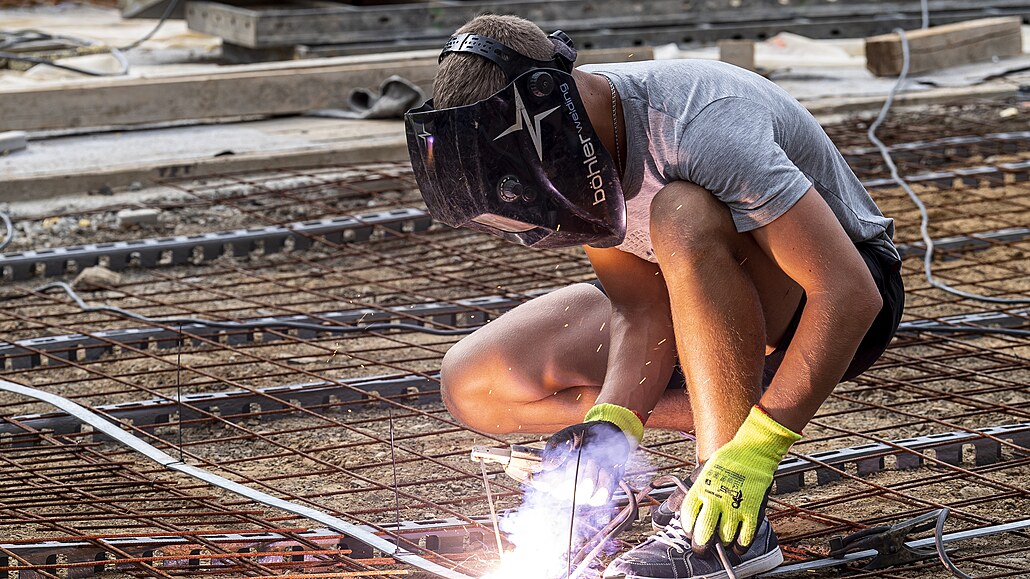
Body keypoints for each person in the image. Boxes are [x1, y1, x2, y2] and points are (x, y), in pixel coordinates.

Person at [404, 14, 904, 579]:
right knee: (476, 381)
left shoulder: (698, 124)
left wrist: (758, 450)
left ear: (550, 117)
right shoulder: (576, 148)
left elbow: (849, 293)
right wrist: (611, 426)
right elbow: (640, 305)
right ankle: (722, 415)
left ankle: (725, 518)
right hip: (694, 298)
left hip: (827, 301)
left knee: (680, 212)